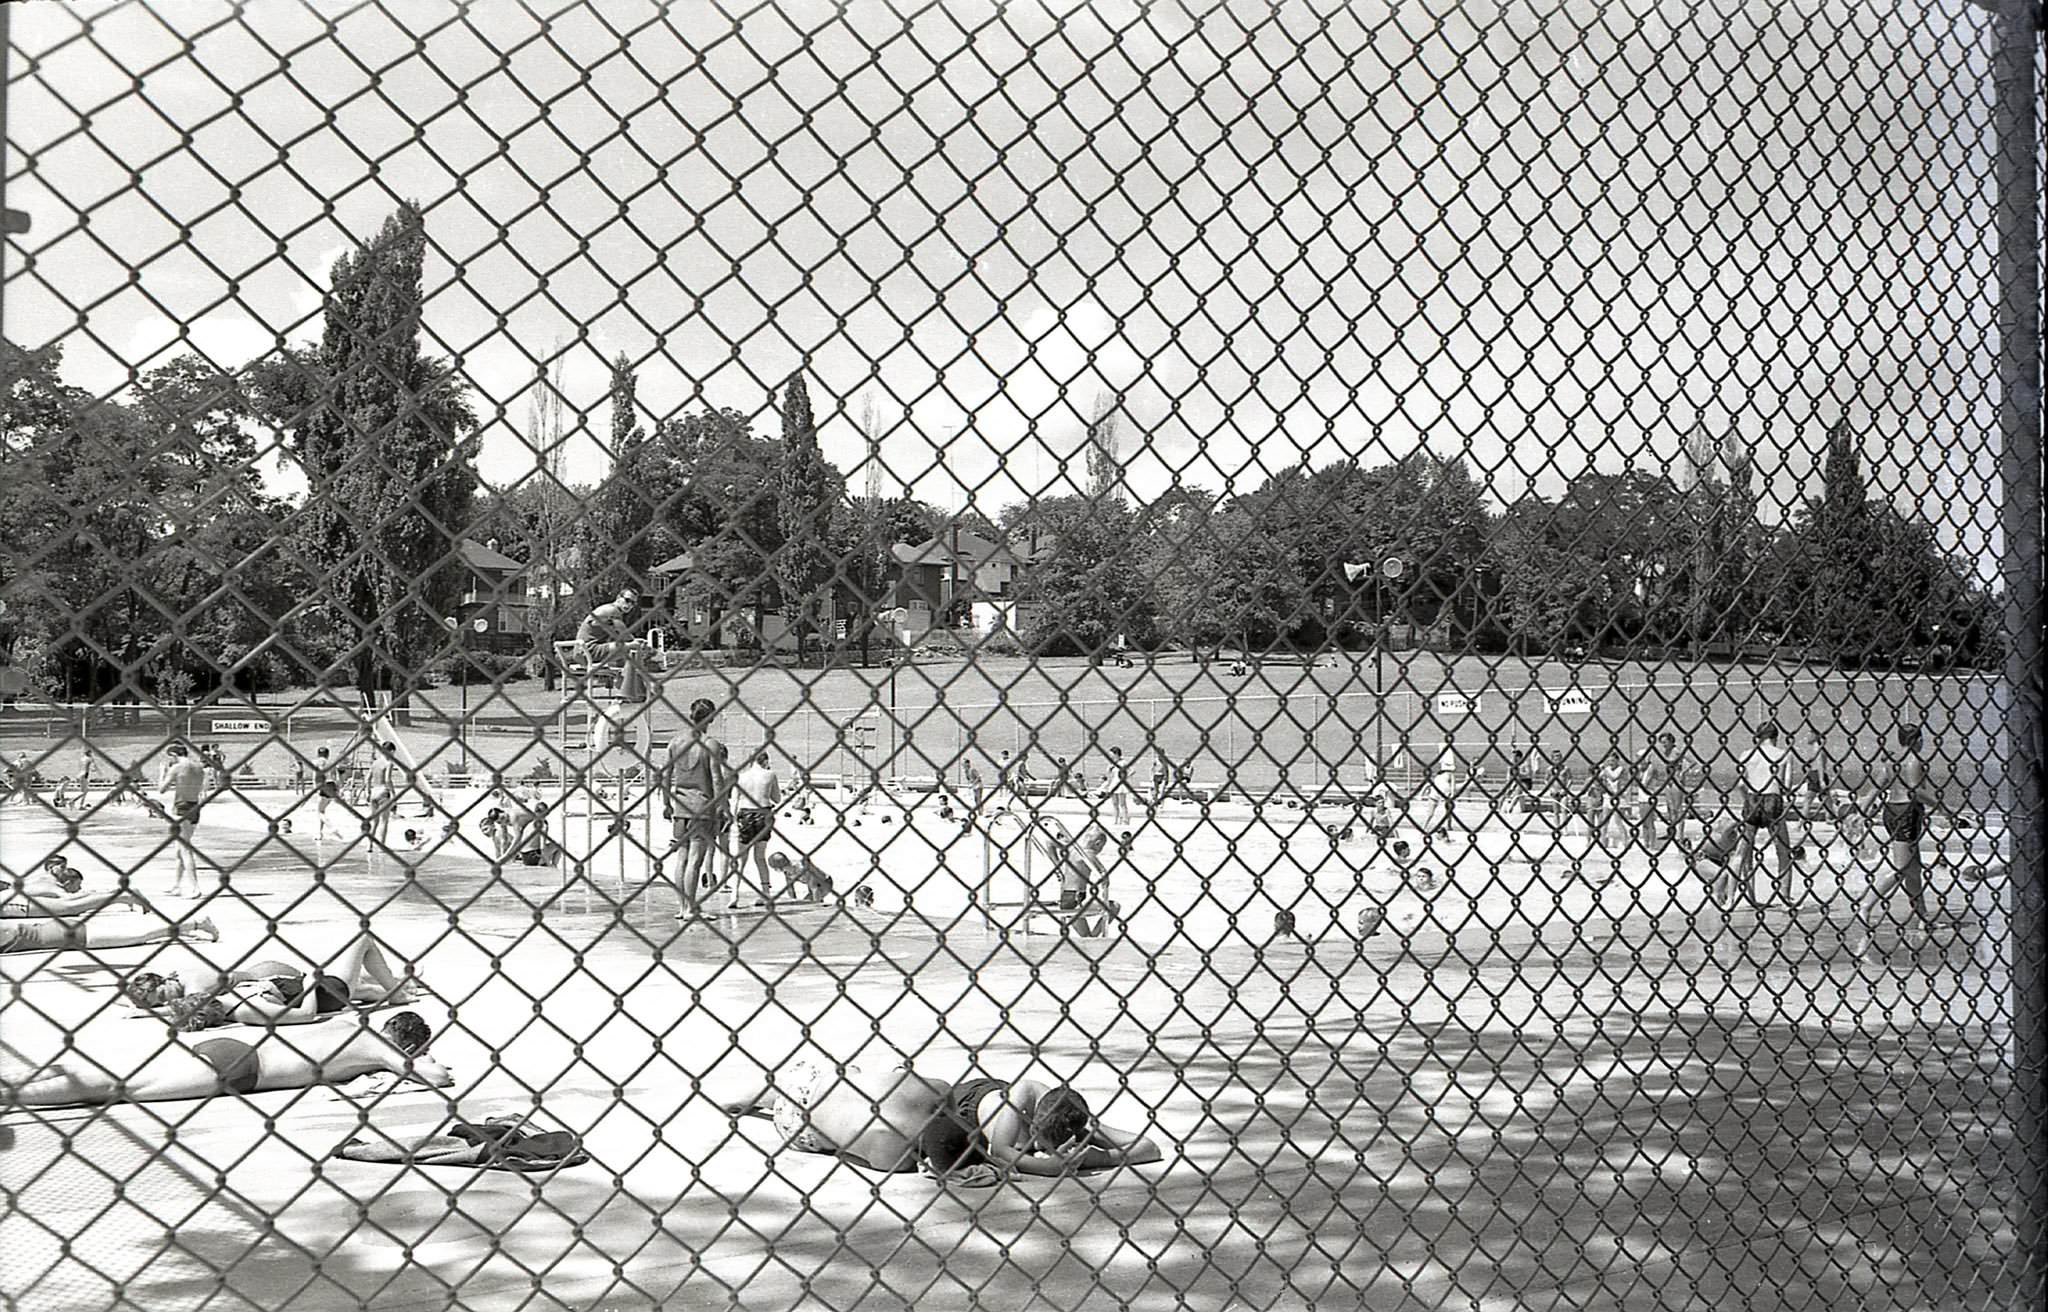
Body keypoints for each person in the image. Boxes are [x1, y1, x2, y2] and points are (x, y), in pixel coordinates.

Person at [6, 1011, 451, 1106]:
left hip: (235, 1048)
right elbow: (437, 1078)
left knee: (115, 1075)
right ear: (406, 1044)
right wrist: (422, 1060)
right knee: (116, 1089)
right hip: (241, 1070)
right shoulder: (378, 1045)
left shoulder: (350, 1021)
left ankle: (16, 1080)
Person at [122, 934, 421, 1026]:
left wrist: (147, 1013)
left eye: (162, 997)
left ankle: (396, 988)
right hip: (277, 981)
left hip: (276, 980)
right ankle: (399, 985)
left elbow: (190, 1004)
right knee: (361, 989)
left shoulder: (194, 984)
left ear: (161, 983)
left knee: (358, 969)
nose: (167, 1001)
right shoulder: (179, 975)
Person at [722, 1058, 953, 1174]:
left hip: (815, 1080)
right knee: (833, 1116)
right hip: (801, 1127)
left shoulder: (940, 1089)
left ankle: (763, 1093)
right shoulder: (896, 1157)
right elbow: (859, 1158)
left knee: (852, 1076)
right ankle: (769, 1098)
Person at [919, 1072, 1163, 1182]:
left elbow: (1150, 1148)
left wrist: (1101, 1157)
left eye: (1047, 1147)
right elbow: (999, 1150)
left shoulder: (1079, 1120)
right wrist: (1049, 1167)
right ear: (1033, 1120)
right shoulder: (1022, 1095)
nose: (1039, 1148)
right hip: (970, 1099)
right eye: (1039, 1141)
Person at [1846, 723, 1940, 956]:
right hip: (1907, 813)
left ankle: (1923, 917)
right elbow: (1915, 791)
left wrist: (1862, 812)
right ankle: (1866, 904)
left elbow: (1876, 788)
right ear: (1917, 740)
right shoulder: (1914, 761)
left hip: (1891, 811)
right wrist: (1941, 806)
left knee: (1914, 869)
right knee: (1902, 868)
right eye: (1921, 738)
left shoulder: (1891, 761)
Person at [661, 697, 731, 919]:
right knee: (695, 860)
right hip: (702, 806)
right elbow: (717, 778)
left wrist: (666, 802)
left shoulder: (675, 742)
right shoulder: (710, 744)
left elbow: (665, 775)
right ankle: (691, 908)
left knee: (681, 858)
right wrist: (723, 806)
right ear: (710, 718)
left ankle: (682, 907)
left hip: (680, 806)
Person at [1722, 722, 1798, 910]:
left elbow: (1741, 784)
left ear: (1758, 737)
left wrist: (1748, 801)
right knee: (1783, 852)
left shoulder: (1746, 755)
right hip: (1773, 799)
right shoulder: (1784, 754)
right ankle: (1785, 900)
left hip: (1752, 799)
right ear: (1775, 737)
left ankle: (1730, 900)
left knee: (1740, 853)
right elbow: (1787, 785)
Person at [3, 910, 217, 955]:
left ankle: (196, 923)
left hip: (73, 936)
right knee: (139, 934)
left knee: (140, 937)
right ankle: (182, 931)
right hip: (59, 929)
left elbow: (11, 933)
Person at [3, 853, 145, 918]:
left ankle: (123, 896)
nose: (65, 870)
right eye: (62, 867)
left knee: (70, 907)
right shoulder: (49, 881)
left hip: (12, 901)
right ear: (51, 867)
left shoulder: (47, 879)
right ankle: (123, 896)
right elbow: (71, 897)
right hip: (12, 900)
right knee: (71, 906)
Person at [730, 749, 782, 905]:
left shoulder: (741, 777)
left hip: (745, 814)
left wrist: (734, 821)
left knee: (741, 858)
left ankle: (734, 894)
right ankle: (766, 893)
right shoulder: (770, 775)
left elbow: (735, 801)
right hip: (763, 814)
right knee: (760, 857)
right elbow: (777, 799)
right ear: (765, 760)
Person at [157, 742, 208, 898]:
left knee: (185, 849)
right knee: (179, 849)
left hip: (181, 808)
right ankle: (177, 886)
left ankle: (195, 888)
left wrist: (162, 772)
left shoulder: (177, 767)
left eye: (170, 758)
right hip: (194, 807)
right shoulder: (199, 767)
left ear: (174, 755)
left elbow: (161, 789)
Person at [575, 587, 640, 668]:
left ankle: (619, 673)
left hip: (581, 652)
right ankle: (631, 674)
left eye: (633, 603)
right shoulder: (612, 611)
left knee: (625, 647)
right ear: (618, 598)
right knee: (633, 646)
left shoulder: (607, 609)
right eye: (627, 600)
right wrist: (636, 642)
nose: (629, 605)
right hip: (589, 651)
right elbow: (625, 634)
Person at [766, 851, 833, 904]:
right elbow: (790, 889)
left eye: (777, 869)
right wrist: (793, 903)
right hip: (813, 886)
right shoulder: (787, 872)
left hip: (825, 882)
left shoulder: (801, 868)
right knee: (805, 903)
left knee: (810, 903)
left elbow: (815, 888)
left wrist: (816, 905)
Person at [310, 746, 341, 839]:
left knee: (319, 811)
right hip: (332, 785)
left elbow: (315, 775)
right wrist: (338, 789)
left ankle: (331, 827)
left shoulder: (316, 762)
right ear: (328, 755)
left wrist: (315, 787)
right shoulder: (331, 763)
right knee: (322, 810)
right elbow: (337, 777)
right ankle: (319, 833)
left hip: (323, 785)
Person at [1104, 746, 1132, 827]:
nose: (1110, 756)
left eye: (1111, 754)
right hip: (1114, 783)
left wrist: (1125, 777)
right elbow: (1108, 774)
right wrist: (1109, 768)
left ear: (1116, 754)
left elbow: (1132, 770)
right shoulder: (1112, 763)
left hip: (1121, 784)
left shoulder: (1123, 762)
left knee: (1122, 803)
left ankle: (1125, 819)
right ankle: (1116, 819)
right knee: (1114, 803)